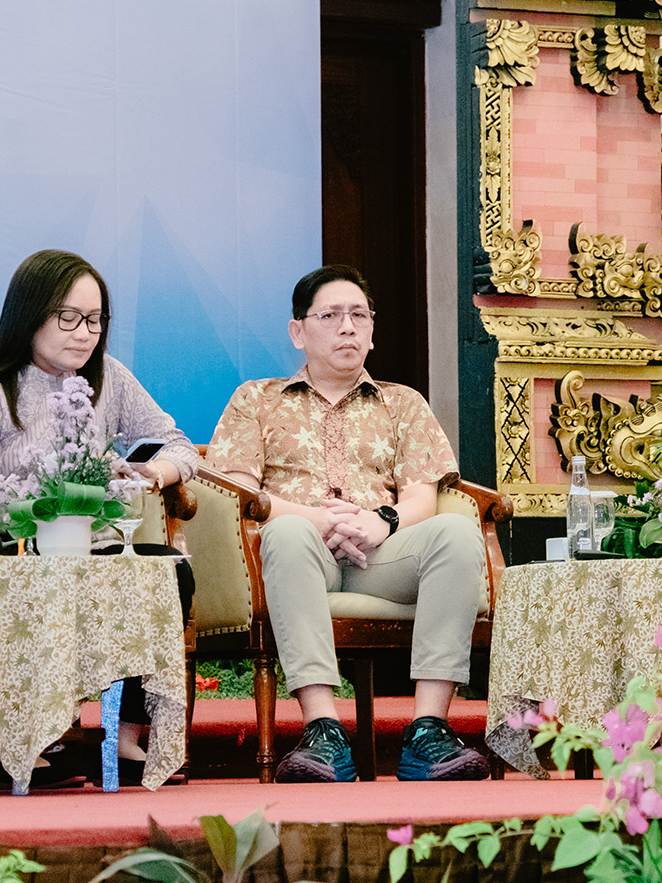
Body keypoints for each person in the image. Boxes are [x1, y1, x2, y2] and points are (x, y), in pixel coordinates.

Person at [205, 264, 489, 782]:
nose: (348, 327)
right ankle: (323, 733)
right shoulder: (256, 400)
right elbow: (239, 493)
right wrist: (314, 518)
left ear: (373, 329)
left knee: (456, 531)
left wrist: (381, 521)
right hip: (300, 552)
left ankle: (428, 730)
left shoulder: (403, 403)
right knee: (286, 534)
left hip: (381, 555)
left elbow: (424, 495)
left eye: (359, 315)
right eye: (331, 315)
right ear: (298, 331)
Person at [0, 248, 198, 786]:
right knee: (15, 580)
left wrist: (145, 474)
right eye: (69, 318)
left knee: (168, 568)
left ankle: (127, 740)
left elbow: (181, 446)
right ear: (29, 315)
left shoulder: (109, 379)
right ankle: (13, 739)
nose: (84, 334)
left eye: (95, 320)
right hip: (18, 552)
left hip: (96, 550)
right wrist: (48, 491)